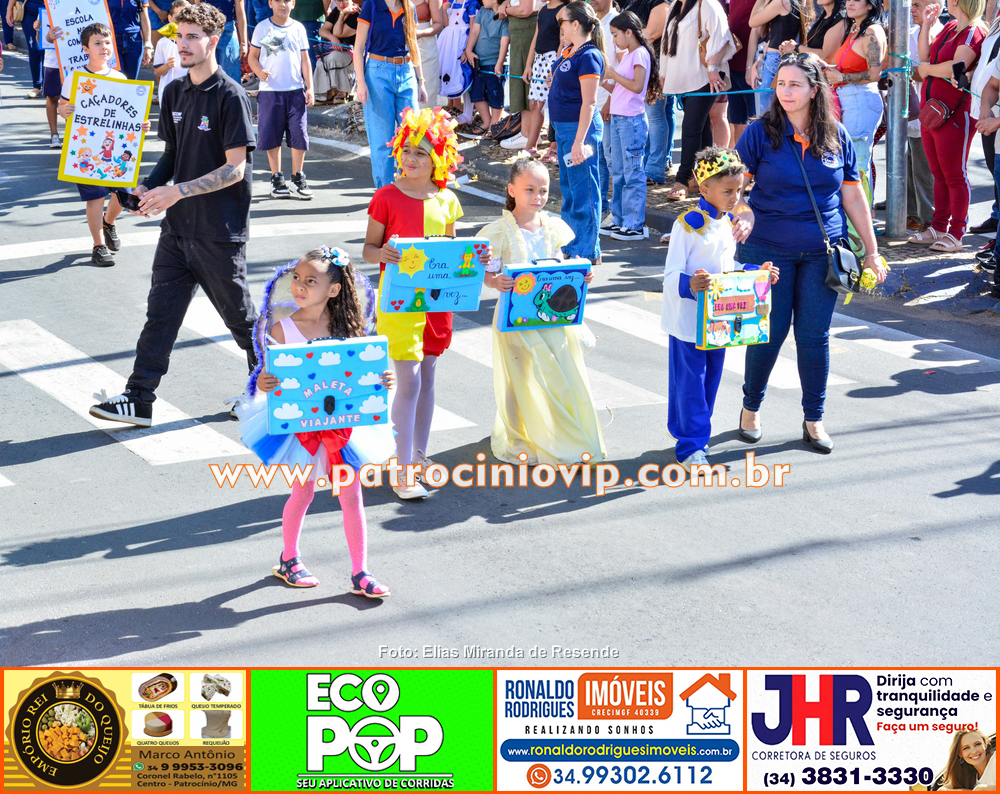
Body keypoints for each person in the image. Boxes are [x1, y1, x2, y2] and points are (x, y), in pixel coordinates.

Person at [89, 3, 258, 427]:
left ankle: (273, 394)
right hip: (177, 231)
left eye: (192, 37)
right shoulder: (175, 90)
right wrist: (147, 187)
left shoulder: (230, 96)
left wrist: (176, 191)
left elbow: (235, 169)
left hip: (219, 233)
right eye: (179, 36)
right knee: (160, 317)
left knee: (243, 323)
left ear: (213, 42)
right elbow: (173, 154)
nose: (182, 45)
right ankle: (139, 398)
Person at [734, 53, 886, 452]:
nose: (785, 92)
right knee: (768, 334)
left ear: (814, 90)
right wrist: (742, 211)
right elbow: (734, 191)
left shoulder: (836, 134)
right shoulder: (759, 133)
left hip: (824, 252)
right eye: (781, 84)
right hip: (768, 251)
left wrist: (872, 252)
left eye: (795, 85)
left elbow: (853, 197)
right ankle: (751, 407)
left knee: (814, 337)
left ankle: (814, 419)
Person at [240, 247, 395, 597]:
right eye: (297, 278)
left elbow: (364, 373)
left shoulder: (349, 328)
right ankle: (289, 558)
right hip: (302, 428)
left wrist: (383, 380)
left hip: (343, 425)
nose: (299, 286)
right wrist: (265, 383)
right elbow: (268, 379)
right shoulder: (283, 329)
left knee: (352, 495)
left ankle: (361, 571)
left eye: (311, 281)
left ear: (334, 290)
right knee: (303, 491)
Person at [362, 108, 472, 499]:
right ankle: (402, 466)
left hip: (436, 305)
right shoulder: (386, 196)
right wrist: (383, 253)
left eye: (422, 152)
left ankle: (418, 454)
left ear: (439, 157)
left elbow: (454, 255)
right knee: (407, 383)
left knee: (427, 379)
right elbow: (368, 249)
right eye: (407, 150)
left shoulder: (448, 201)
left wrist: (475, 260)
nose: (411, 158)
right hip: (399, 304)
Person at [478, 158, 605, 465]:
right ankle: (517, 435)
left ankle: (562, 435)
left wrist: (579, 276)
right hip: (514, 317)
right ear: (512, 189)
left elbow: (558, 265)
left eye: (543, 190)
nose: (538, 196)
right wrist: (496, 281)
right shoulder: (498, 232)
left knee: (559, 375)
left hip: (551, 318)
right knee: (517, 374)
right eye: (530, 189)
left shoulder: (553, 227)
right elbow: (488, 273)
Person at [662, 147, 778, 470]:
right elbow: (670, 275)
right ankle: (691, 446)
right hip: (688, 323)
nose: (735, 197)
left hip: (719, 322)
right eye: (728, 191)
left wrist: (756, 272)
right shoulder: (688, 226)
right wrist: (690, 284)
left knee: (709, 383)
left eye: (739, 191)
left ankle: (694, 436)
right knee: (690, 385)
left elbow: (728, 269)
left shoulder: (726, 223)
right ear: (704, 188)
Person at [57, 24, 149, 266]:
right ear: (86, 49)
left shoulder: (120, 78)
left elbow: (130, 114)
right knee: (96, 197)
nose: (104, 47)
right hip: (87, 148)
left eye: (107, 42)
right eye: (97, 43)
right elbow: (62, 106)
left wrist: (141, 125)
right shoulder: (76, 77)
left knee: (123, 194)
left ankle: (109, 223)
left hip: (117, 149)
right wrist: (64, 110)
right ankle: (98, 246)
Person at [910, 0, 986, 253]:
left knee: (954, 174)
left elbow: (956, 67)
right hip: (933, 110)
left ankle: (956, 233)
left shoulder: (973, 30)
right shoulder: (951, 26)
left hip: (954, 113)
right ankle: (939, 226)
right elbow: (925, 58)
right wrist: (926, 26)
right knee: (939, 173)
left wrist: (926, 70)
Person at [661, 0, 738, 200]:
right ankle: (704, 179)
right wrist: (664, 73)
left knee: (691, 127)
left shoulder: (708, 4)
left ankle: (682, 180)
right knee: (701, 127)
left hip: (704, 76)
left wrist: (712, 68)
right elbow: (666, 42)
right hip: (684, 78)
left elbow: (722, 37)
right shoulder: (675, 6)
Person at [548, 1, 605, 263]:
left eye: (563, 20)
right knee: (570, 189)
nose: (559, 25)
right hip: (564, 128)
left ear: (575, 24)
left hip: (578, 129)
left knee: (584, 189)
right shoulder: (570, 51)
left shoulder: (589, 55)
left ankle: (587, 249)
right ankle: (571, 244)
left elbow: (589, 102)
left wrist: (579, 141)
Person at [353, 0, 427, 188]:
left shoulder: (409, 7)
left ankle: (410, 189)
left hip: (406, 71)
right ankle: (384, 192)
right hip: (377, 73)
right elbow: (359, 47)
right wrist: (361, 82)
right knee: (382, 140)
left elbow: (413, 45)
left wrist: (421, 80)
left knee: (413, 136)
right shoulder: (371, 5)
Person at [821, 0, 886, 208]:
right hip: (852, 100)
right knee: (852, 162)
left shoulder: (871, 32)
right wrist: (830, 70)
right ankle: (858, 217)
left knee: (858, 164)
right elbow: (849, 68)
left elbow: (875, 74)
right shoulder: (856, 30)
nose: (850, 3)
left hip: (861, 101)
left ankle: (862, 218)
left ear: (870, 5)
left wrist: (841, 77)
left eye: (857, 0)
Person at [249, 0, 315, 200]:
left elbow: (305, 60)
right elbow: (253, 57)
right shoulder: (262, 27)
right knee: (272, 135)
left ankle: (298, 177)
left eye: (287, 0)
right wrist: (259, 72)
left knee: (299, 134)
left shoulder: (298, 28)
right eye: (277, 0)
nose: (282, 4)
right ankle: (276, 178)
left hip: (295, 91)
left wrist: (310, 87)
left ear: (293, 4)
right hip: (270, 92)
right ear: (270, 3)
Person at [602, 11, 659, 240]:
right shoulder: (629, 55)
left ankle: (634, 223)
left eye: (615, 34)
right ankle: (619, 218)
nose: (614, 40)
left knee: (632, 172)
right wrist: (606, 81)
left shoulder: (640, 54)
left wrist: (613, 74)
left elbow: (637, 87)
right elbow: (622, 89)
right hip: (620, 118)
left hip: (631, 121)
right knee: (619, 172)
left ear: (629, 32)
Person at [967, 6, 1000, 235]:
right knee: (994, 169)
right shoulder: (996, 23)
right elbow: (992, 80)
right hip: (989, 115)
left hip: (995, 120)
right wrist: (985, 107)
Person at [520, 0, 567, 156]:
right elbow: (536, 37)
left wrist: (555, 66)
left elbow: (562, 41)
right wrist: (528, 64)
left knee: (552, 103)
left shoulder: (563, 10)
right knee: (535, 103)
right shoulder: (542, 9)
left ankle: (554, 146)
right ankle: (531, 145)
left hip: (553, 59)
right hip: (539, 60)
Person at [748, 0, 810, 115]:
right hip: (781, 57)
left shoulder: (781, 2)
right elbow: (778, 34)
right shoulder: (794, 2)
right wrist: (760, 59)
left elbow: (752, 22)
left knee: (767, 112)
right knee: (776, 111)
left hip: (775, 59)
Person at [463, 0, 509, 134]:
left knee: (495, 95)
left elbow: (504, 42)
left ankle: (494, 125)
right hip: (478, 62)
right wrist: (468, 50)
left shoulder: (505, 16)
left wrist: (499, 63)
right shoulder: (483, 11)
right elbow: (474, 31)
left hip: (494, 63)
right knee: (476, 94)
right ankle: (486, 121)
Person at [497, 0, 539, 145]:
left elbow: (525, 10)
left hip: (526, 32)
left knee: (527, 84)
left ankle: (528, 134)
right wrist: (505, 3)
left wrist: (505, 10)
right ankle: (526, 132)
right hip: (521, 33)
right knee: (521, 84)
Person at [314, 0, 360, 103]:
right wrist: (332, 38)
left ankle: (342, 91)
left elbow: (338, 33)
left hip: (352, 52)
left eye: (344, 1)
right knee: (321, 61)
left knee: (334, 57)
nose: (341, 4)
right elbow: (322, 30)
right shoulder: (336, 10)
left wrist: (342, 14)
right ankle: (326, 93)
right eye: (338, 1)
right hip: (335, 50)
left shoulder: (356, 14)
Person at [106, 0, 155, 80]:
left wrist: (148, 46)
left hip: (134, 41)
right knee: (116, 79)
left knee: (131, 80)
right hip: (112, 41)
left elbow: (144, 19)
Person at [153, 0, 191, 102]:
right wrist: (167, 66)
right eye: (178, 15)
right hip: (169, 96)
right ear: (170, 18)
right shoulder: (163, 43)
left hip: (190, 95)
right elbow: (157, 71)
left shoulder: (196, 42)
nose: (181, 18)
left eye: (186, 14)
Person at [6, 0, 44, 95]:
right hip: (29, 12)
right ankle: (37, 86)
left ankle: (47, 85)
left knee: (47, 50)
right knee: (34, 49)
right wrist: (9, 9)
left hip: (50, 11)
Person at [414, 0, 445, 106]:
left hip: (424, 44)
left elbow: (439, 24)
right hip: (398, 44)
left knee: (427, 91)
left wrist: (420, 33)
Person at [40, 15, 63, 148]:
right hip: (52, 62)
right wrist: (38, 30)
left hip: (75, 62)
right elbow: (39, 41)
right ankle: (54, 135)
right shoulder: (46, 11)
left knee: (74, 99)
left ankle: (72, 134)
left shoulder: (81, 6)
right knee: (52, 97)